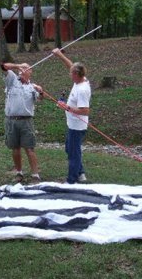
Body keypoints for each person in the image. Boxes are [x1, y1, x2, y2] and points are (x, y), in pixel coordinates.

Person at [52, 48, 91, 184]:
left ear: (76, 74)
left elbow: (85, 110)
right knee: (70, 148)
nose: (69, 74)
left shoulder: (82, 90)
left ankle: (71, 180)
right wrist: (59, 55)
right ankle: (80, 173)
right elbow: (71, 65)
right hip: (72, 124)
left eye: (71, 73)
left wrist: (66, 107)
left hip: (78, 126)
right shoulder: (80, 80)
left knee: (74, 153)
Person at [1, 62, 44, 183]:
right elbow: (4, 66)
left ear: (30, 73)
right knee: (15, 148)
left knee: (30, 148)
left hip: (26, 121)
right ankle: (19, 173)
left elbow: (40, 99)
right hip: (11, 120)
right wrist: (18, 65)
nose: (24, 70)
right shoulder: (12, 80)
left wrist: (41, 92)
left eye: (27, 68)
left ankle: (35, 175)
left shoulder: (32, 87)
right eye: (23, 68)